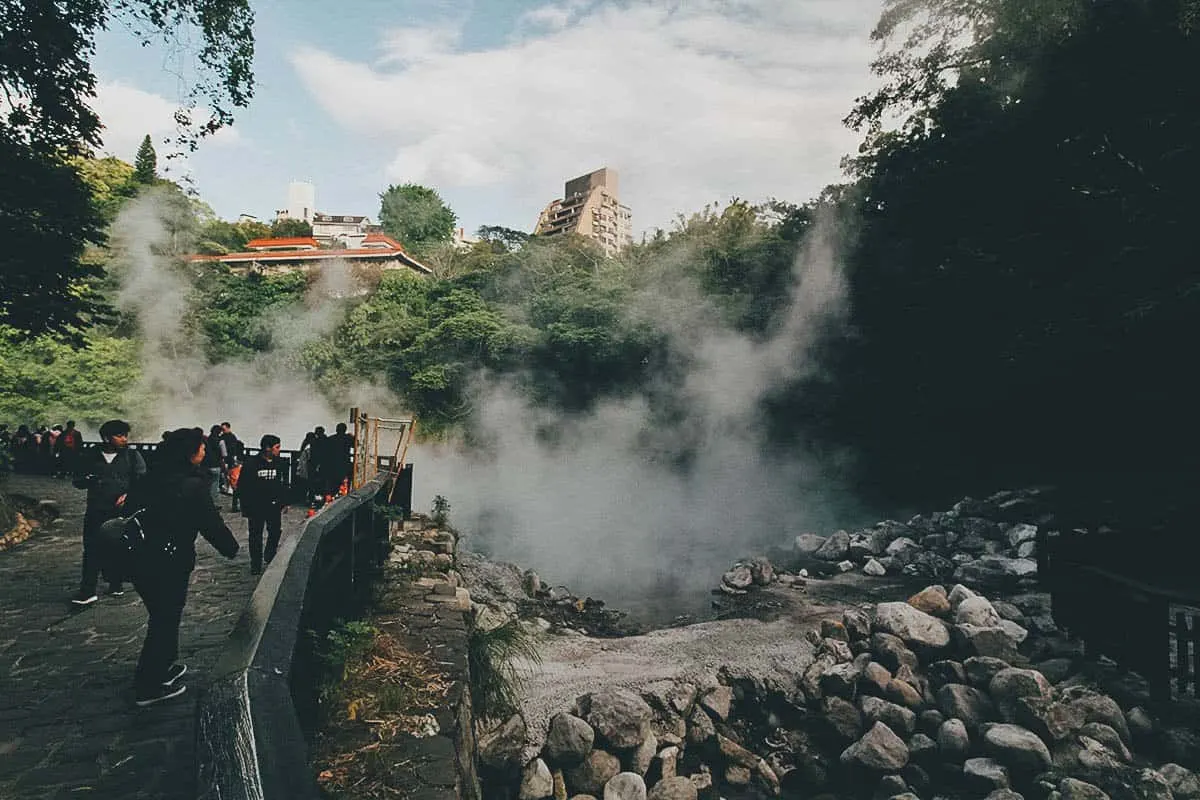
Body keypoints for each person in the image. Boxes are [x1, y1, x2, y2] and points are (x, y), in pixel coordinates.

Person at [123, 427, 239, 706]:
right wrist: (231, 549)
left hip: (139, 557)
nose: (204, 451)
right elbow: (210, 523)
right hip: (170, 561)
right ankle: (148, 685)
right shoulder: (191, 485)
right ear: (189, 453)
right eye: (200, 447)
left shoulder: (149, 478)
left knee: (162, 615)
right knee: (164, 619)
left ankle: (164, 665)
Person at [71, 419, 146, 605]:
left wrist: (130, 495)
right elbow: (77, 480)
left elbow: (143, 480)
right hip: (96, 508)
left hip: (122, 512)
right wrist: (88, 480)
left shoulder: (132, 455)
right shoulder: (91, 456)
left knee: (119, 547)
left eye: (125, 435)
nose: (124, 439)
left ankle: (115, 581)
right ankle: (87, 589)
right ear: (106, 437)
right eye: (119, 435)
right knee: (91, 548)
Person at [239, 434, 287, 575]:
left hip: (274, 505)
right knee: (255, 536)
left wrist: (283, 501)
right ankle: (256, 564)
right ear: (267, 448)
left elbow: (282, 484)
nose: (279, 450)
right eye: (277, 447)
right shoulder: (251, 463)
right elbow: (243, 486)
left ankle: (270, 554)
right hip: (256, 506)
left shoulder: (279, 463)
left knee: (275, 532)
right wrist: (245, 507)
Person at [326, 422, 355, 493]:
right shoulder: (348, 438)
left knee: (333, 483)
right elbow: (355, 445)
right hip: (345, 463)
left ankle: (331, 494)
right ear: (345, 430)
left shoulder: (331, 438)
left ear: (336, 430)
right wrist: (353, 437)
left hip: (333, 464)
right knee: (346, 480)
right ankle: (346, 492)